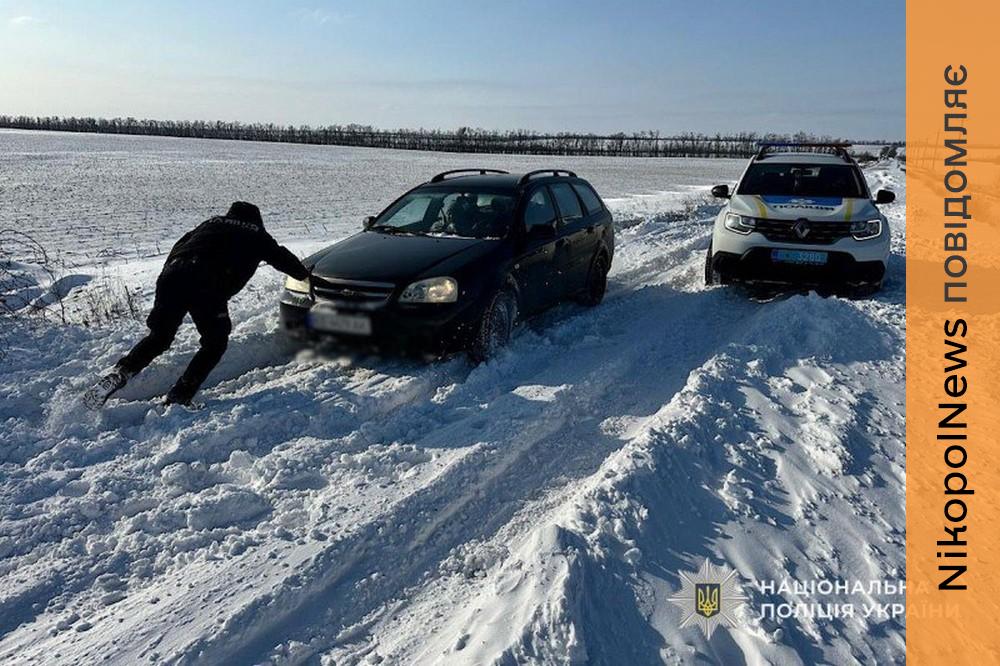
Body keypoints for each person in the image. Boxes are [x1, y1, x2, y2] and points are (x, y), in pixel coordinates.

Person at [84, 201, 310, 408]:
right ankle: (180, 394)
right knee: (215, 342)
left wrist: (172, 275)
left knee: (160, 337)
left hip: (172, 274)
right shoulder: (255, 232)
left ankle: (121, 371)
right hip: (206, 281)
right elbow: (281, 258)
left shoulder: (210, 223)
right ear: (257, 219)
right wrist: (307, 277)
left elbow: (180, 244)